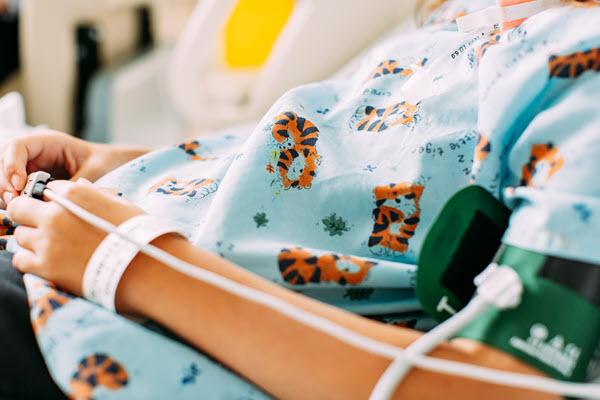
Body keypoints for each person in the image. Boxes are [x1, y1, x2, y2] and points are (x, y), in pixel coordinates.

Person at [0, 0, 599, 399]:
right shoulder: (476, 16)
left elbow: (508, 386)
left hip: (109, 331)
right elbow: (340, 169)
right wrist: (137, 166)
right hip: (82, 248)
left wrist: (133, 262)